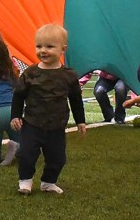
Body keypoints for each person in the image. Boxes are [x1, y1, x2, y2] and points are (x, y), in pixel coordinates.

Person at [10, 23, 87, 195]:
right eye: (39, 46)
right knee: (27, 154)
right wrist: (15, 116)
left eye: (49, 46)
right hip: (32, 123)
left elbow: (75, 99)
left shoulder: (69, 75)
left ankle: (48, 182)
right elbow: (18, 95)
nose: (43, 50)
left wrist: (80, 120)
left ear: (63, 49)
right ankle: (25, 181)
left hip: (57, 126)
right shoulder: (30, 73)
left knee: (58, 158)